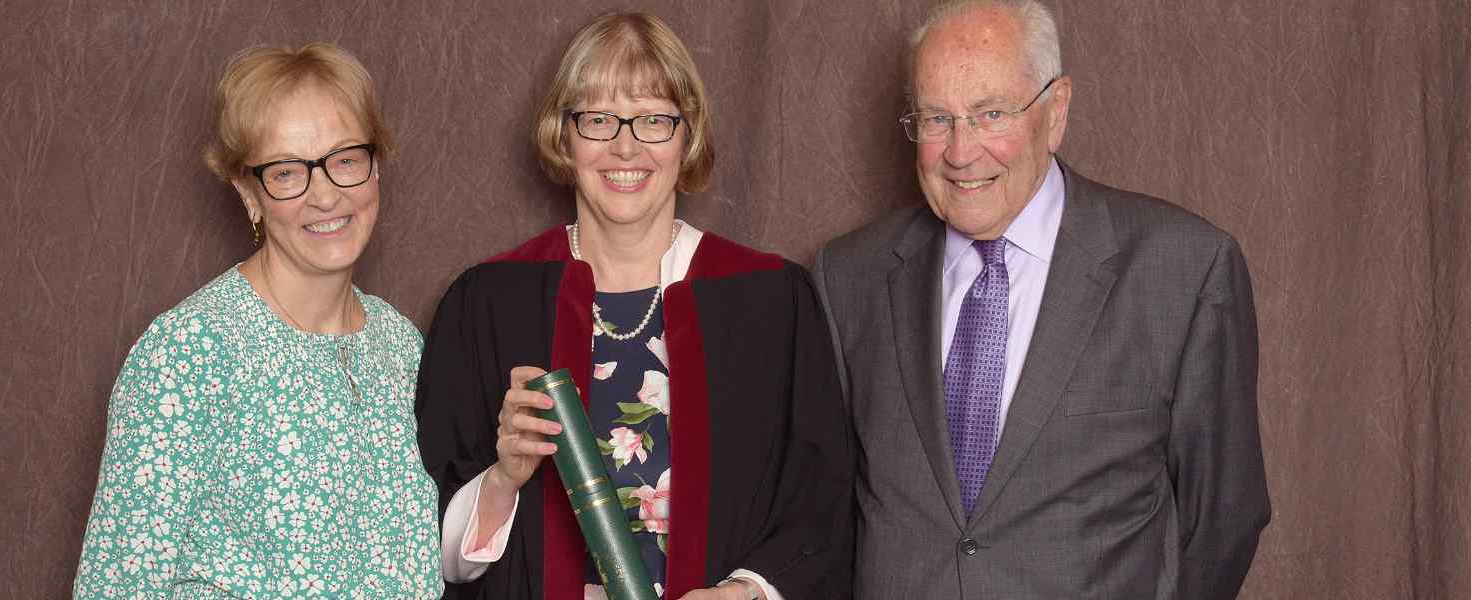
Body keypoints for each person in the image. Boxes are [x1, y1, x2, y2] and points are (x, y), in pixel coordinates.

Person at [811, 1, 1271, 598]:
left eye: (991, 113)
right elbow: (822, 509)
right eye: (935, 119)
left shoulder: (1182, 269)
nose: (960, 152)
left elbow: (1224, 520)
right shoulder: (850, 276)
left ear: (1055, 113)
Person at [414, 12, 853, 600]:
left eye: (653, 120)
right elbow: (424, 549)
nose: (626, 146)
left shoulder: (770, 300)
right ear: (563, 135)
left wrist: (744, 594)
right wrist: (502, 477)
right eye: (598, 119)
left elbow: (821, 508)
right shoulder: (487, 303)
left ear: (686, 135)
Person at [72, 43, 442, 598]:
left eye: (345, 159)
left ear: (376, 167)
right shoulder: (189, 353)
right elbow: (116, 586)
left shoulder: (400, 346)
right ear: (249, 193)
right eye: (288, 171)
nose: (325, 195)